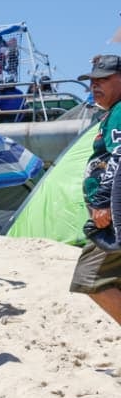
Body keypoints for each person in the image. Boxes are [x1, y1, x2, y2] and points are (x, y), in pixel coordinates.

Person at [71, 53, 121, 324]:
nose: (95, 86)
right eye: (92, 81)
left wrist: (103, 202)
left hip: (112, 215)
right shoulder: (114, 112)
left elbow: (120, 156)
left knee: (89, 278)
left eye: (104, 79)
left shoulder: (120, 111)